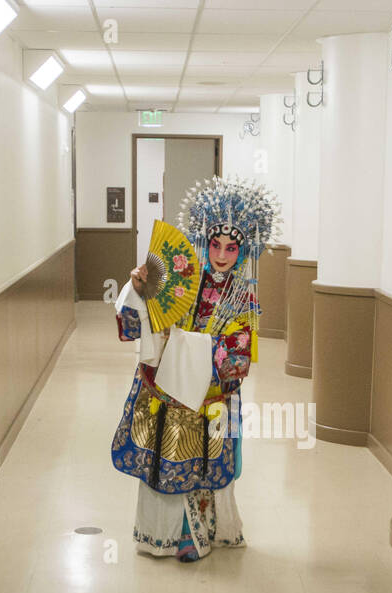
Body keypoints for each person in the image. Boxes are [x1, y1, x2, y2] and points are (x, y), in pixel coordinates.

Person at [110, 175, 281, 562]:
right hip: (168, 389)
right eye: (216, 245)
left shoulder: (245, 296)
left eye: (232, 247)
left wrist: (191, 347)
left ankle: (202, 533)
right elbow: (145, 322)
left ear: (244, 249)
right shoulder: (181, 276)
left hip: (210, 394)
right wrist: (138, 290)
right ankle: (164, 535)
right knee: (168, 462)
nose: (221, 255)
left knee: (206, 461)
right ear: (204, 242)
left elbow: (238, 356)